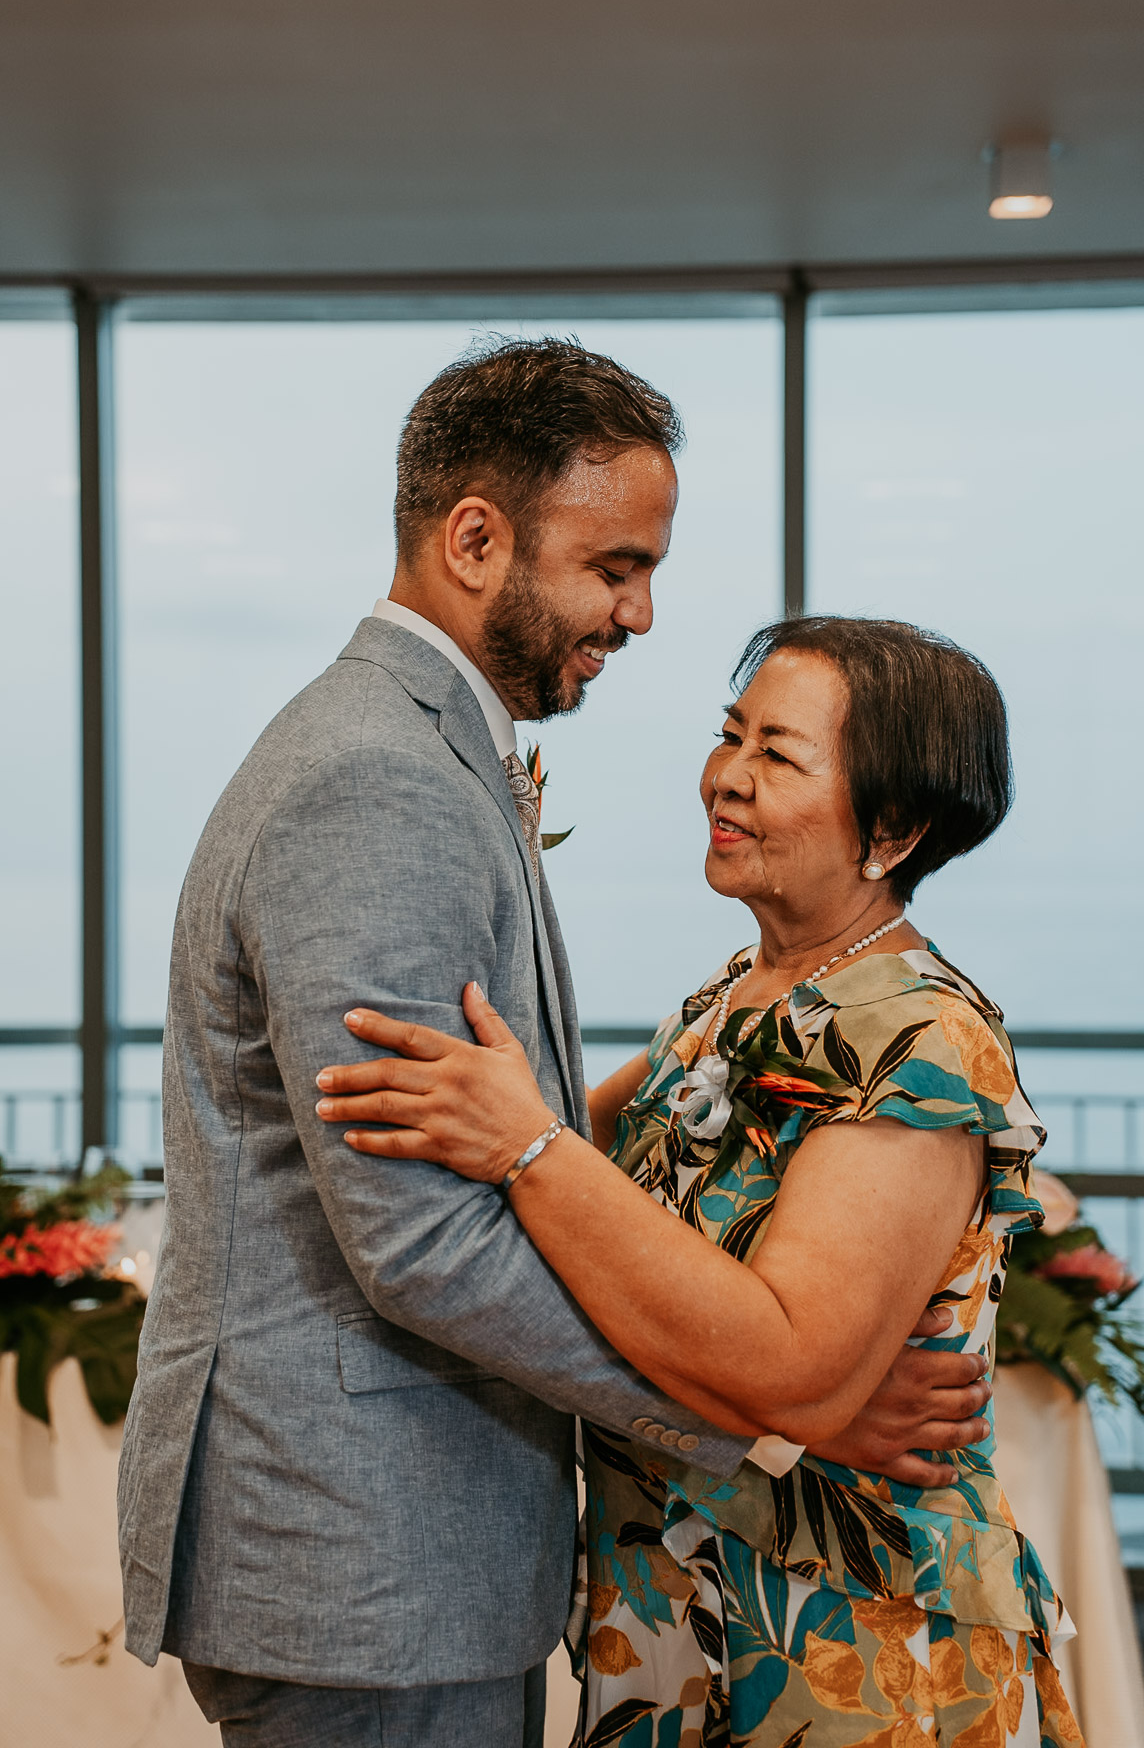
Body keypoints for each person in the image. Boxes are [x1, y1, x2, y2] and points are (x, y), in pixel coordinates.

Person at [119, 342, 993, 1748]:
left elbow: (480, 1143)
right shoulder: (377, 779)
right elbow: (420, 1239)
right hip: (378, 1549)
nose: (641, 611)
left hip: (418, 1546)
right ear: (477, 539)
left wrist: (552, 1128)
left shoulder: (414, 751)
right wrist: (772, 1415)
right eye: (616, 566)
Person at [317, 615, 1084, 1747]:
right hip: (673, 1622)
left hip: (851, 1646)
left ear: (897, 828)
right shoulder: (732, 997)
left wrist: (529, 1146)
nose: (726, 777)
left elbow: (784, 1356)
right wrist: (800, 1409)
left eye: (779, 756)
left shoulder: (919, 1041)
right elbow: (593, 1215)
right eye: (732, 736)